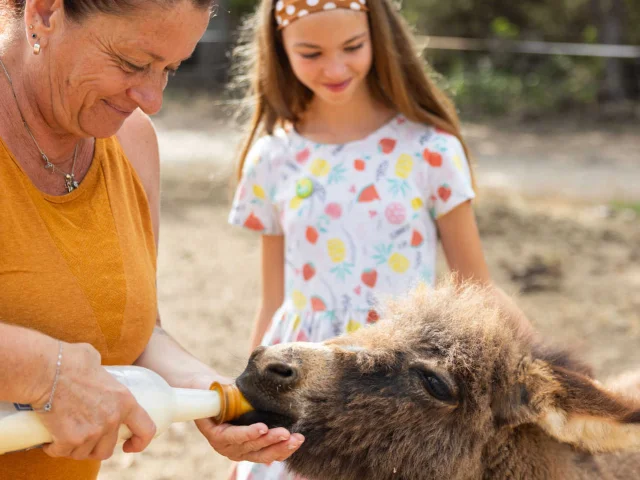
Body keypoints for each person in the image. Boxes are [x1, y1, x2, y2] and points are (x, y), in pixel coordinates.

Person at [228, 1, 534, 479]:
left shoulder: (429, 149)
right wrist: (246, 407)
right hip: (302, 375)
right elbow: (274, 301)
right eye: (310, 53)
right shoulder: (273, 157)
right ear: (280, 49)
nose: (334, 67)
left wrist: (548, 373)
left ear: (378, 37)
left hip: (394, 382)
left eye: (352, 47)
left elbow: (476, 285)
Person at [0, 0, 304, 478]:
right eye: (132, 64)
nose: (152, 97)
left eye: (170, 68)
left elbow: (140, 335)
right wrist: (42, 370)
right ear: (43, 13)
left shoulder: (132, 141)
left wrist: (212, 396)